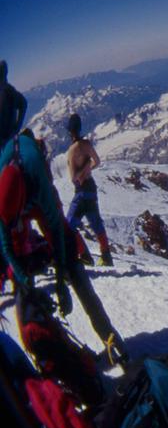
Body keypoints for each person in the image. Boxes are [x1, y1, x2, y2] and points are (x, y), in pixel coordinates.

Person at [0, 130, 127, 365]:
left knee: (72, 265)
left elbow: (57, 234)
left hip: (33, 190)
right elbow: (6, 246)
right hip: (17, 194)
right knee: (22, 283)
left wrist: (60, 281)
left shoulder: (38, 184)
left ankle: (111, 340)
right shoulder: (5, 200)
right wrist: (24, 281)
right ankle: (44, 347)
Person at [65, 113, 113, 266]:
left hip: (81, 191)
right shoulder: (87, 144)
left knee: (69, 225)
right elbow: (97, 161)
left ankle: (84, 254)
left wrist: (82, 169)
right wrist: (88, 166)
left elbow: (74, 177)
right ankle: (106, 256)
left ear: (69, 131)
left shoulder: (72, 150)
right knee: (96, 223)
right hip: (91, 188)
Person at [0, 60, 28, 146]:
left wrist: (17, 127)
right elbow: (23, 103)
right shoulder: (10, 90)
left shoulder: (10, 91)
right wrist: (17, 127)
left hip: (7, 139)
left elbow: (23, 103)